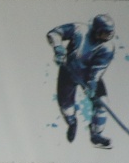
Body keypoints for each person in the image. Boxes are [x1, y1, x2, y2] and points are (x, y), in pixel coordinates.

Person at [49, 14, 116, 149]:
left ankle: (96, 134)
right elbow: (54, 33)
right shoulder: (79, 30)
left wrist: (92, 83)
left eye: (109, 33)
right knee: (66, 108)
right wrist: (58, 48)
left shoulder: (108, 47)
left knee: (102, 104)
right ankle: (72, 122)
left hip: (88, 76)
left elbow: (98, 68)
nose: (106, 37)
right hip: (68, 72)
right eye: (104, 33)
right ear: (96, 30)